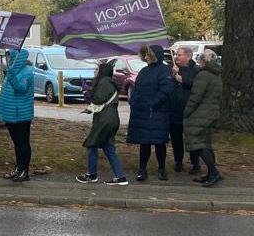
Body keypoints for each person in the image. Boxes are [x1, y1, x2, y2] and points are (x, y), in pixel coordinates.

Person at [128, 44, 174, 181]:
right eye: (145, 54)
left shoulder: (164, 70)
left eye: (149, 54)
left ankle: (162, 169)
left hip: (157, 113)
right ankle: (142, 169)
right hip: (143, 112)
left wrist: (153, 104)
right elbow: (136, 88)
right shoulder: (143, 71)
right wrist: (134, 101)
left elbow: (166, 90)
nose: (146, 57)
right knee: (144, 143)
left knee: (159, 143)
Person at [78, 60, 128, 185]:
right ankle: (120, 177)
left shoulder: (104, 82)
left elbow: (98, 99)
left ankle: (91, 174)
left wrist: (87, 92)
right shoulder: (109, 82)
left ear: (102, 72)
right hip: (111, 118)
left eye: (97, 70)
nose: (95, 72)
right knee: (109, 148)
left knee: (91, 144)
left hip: (104, 119)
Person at [183, 49, 223, 187]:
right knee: (206, 143)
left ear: (203, 61)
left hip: (201, 114)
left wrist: (186, 112)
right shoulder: (216, 75)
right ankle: (211, 173)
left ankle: (214, 172)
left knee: (199, 145)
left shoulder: (203, 75)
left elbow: (195, 97)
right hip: (211, 113)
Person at [0, 48, 35, 182]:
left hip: (21, 115)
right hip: (11, 114)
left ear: (16, 58)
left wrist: (11, 75)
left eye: (10, 57)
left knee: (23, 143)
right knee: (17, 143)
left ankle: (25, 171)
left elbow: (21, 89)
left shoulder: (27, 73)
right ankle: (18, 168)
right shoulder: (11, 72)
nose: (8, 60)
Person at [169, 46, 200, 174]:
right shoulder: (174, 69)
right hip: (175, 110)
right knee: (176, 138)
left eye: (180, 55)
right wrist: (173, 75)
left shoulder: (196, 70)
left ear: (188, 56)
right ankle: (178, 161)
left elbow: (198, 86)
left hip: (190, 111)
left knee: (192, 138)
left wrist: (183, 80)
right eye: (176, 54)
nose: (177, 57)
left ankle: (195, 163)